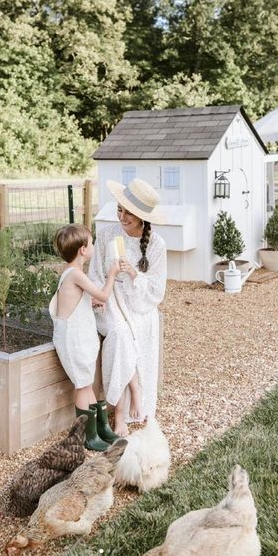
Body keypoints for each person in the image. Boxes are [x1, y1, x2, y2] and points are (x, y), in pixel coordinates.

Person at [88, 178, 167, 437]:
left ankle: (123, 408)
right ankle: (128, 399)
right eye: (119, 209)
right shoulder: (108, 234)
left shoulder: (156, 245)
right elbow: (96, 273)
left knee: (127, 333)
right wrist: (99, 294)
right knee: (120, 331)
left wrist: (134, 274)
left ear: (142, 216)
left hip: (140, 304)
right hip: (110, 299)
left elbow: (156, 291)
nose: (121, 217)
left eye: (128, 213)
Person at [49, 223, 120, 451]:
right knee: (82, 387)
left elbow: (78, 302)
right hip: (74, 341)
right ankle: (87, 437)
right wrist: (112, 275)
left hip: (80, 339)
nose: (94, 245)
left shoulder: (72, 275)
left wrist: (91, 302)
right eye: (91, 242)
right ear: (82, 250)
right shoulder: (76, 275)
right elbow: (104, 295)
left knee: (88, 385)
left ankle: (99, 429)